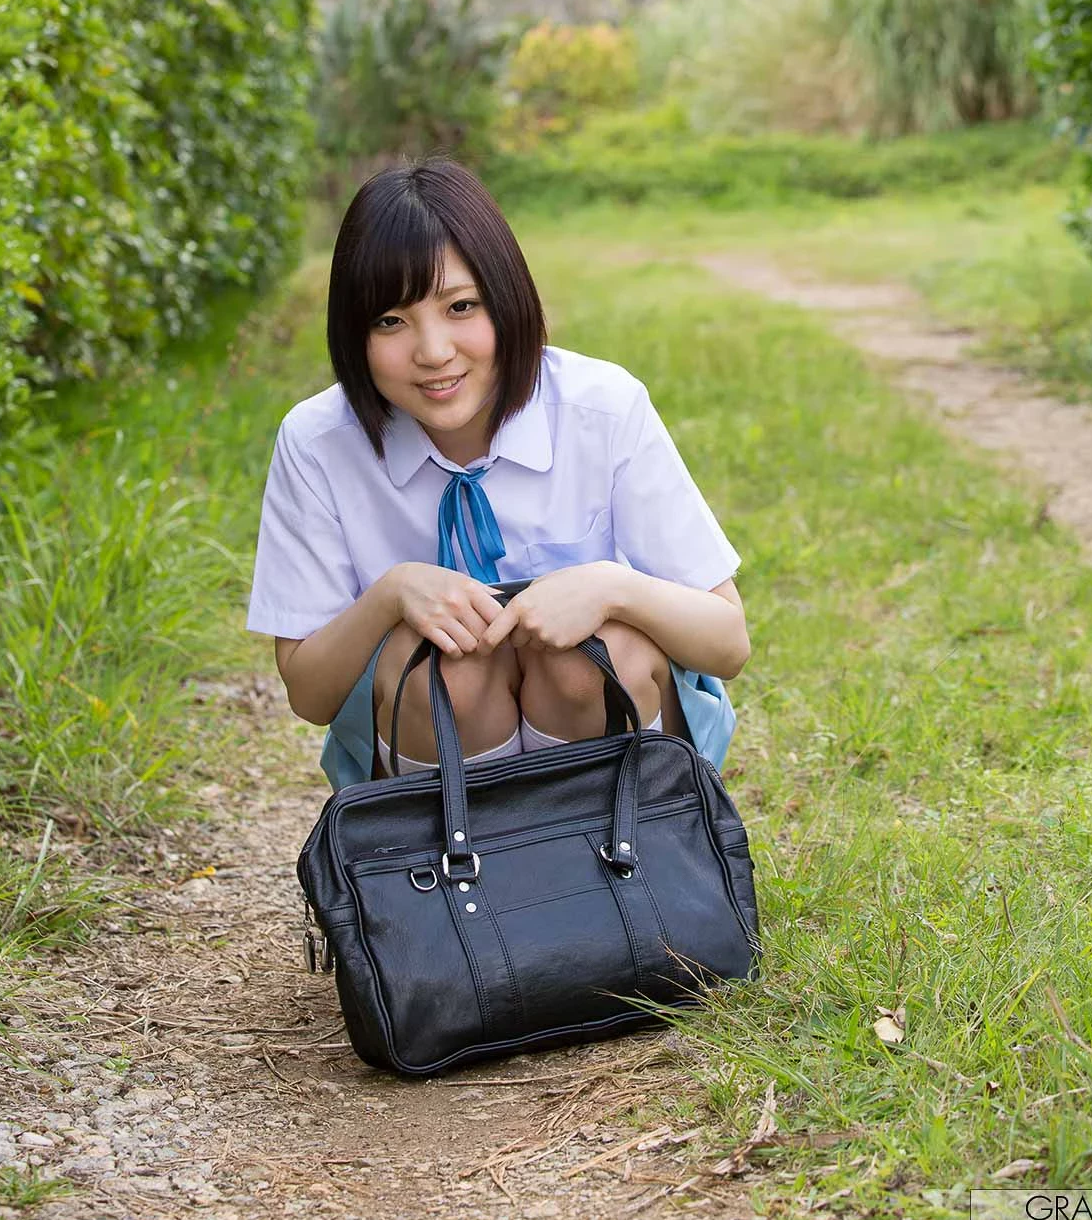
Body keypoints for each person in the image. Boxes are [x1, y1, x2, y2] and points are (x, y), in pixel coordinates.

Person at [245, 158, 749, 791]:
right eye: (390, 321)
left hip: (609, 748)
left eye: (461, 307)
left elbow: (728, 642)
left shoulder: (601, 408)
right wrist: (391, 596)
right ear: (354, 333)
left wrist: (611, 587)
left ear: (507, 299)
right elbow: (311, 695)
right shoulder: (319, 442)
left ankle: (622, 867)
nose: (432, 352)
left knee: (590, 658)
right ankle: (459, 875)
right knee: (437, 672)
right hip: (435, 765)